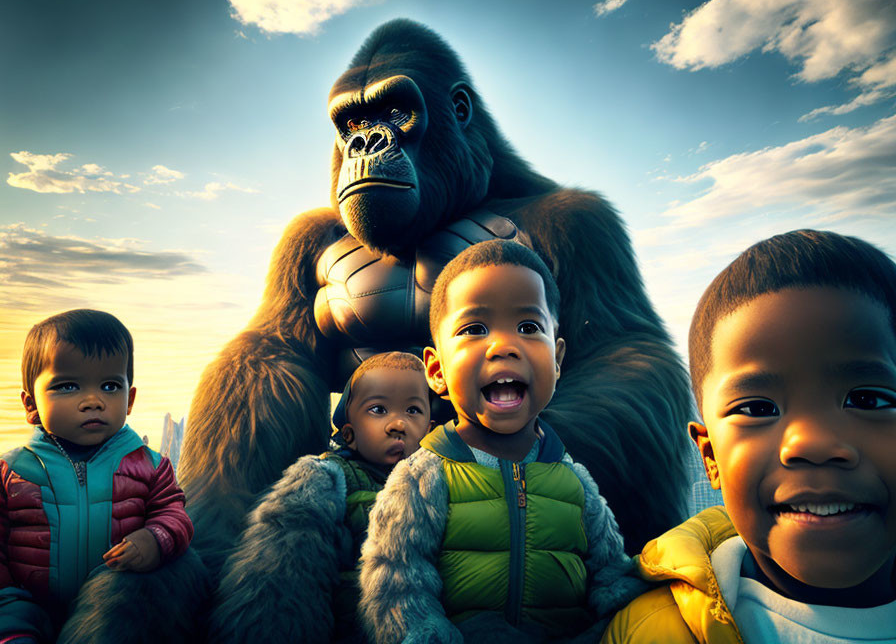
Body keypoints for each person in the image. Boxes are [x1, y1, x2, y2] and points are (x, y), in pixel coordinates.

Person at [602, 229, 896, 643]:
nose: (810, 443)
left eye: (868, 399)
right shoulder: (648, 632)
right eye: (757, 409)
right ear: (710, 458)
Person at [359, 239, 644, 644]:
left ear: (558, 360)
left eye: (529, 328)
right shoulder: (420, 479)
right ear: (437, 370)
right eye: (474, 329)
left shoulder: (576, 483)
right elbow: (394, 579)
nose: (504, 346)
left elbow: (612, 576)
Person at [209, 351, 434, 643]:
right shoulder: (327, 480)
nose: (398, 424)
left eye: (413, 411)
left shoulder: (439, 480)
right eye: (378, 410)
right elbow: (280, 574)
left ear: (430, 429)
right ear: (349, 434)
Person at [0, 309, 193, 643]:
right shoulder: (14, 471)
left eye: (109, 385)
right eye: (67, 386)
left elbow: (174, 516)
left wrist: (156, 539)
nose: (93, 401)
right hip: (25, 603)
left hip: (116, 605)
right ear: (31, 404)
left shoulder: (150, 466)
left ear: (129, 399)